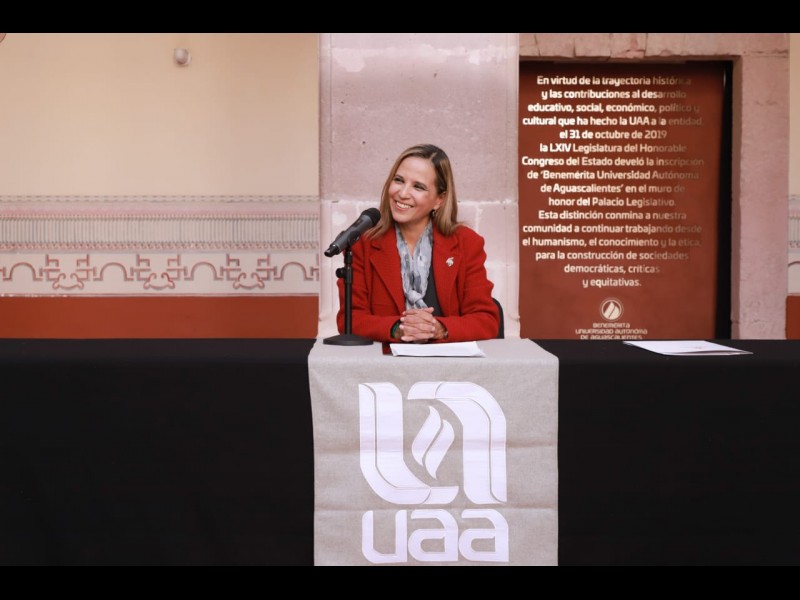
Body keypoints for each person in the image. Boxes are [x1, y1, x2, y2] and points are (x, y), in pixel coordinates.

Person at [336, 143, 500, 343]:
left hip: (449, 361)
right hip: (384, 361)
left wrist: (438, 329)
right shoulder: (362, 243)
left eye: (418, 187)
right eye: (399, 180)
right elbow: (350, 320)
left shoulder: (467, 243)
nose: (403, 193)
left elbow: (486, 320)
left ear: (439, 199)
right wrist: (398, 329)